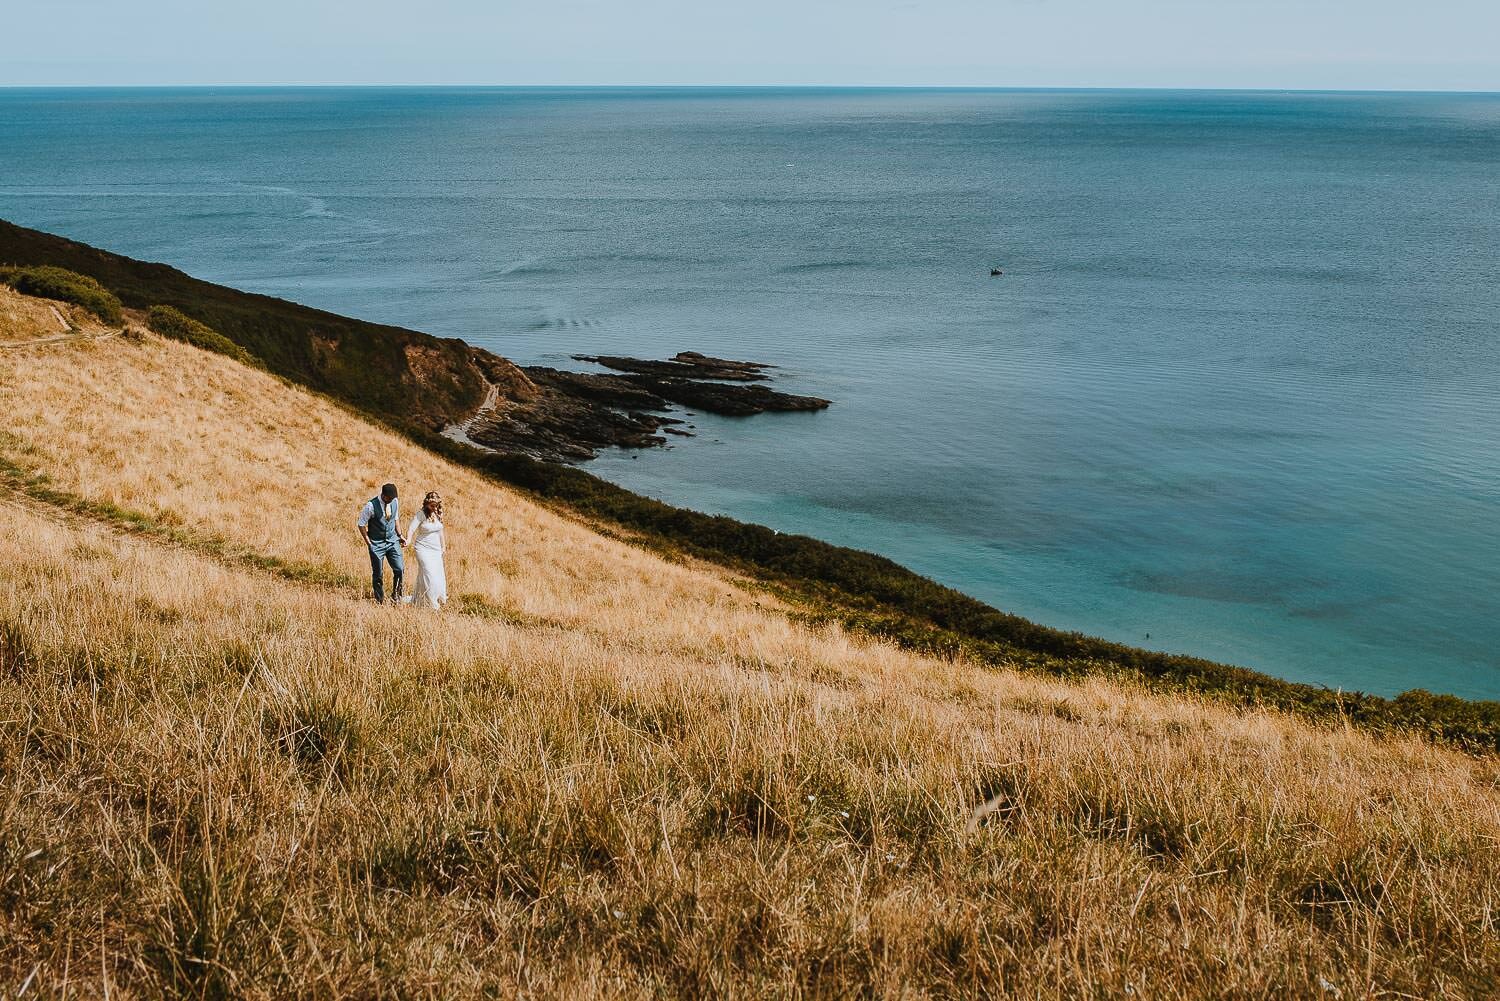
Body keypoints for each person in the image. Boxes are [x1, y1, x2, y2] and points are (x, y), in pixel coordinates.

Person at [357, 482, 406, 603]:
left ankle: (397, 595)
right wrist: (369, 543)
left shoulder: (394, 501)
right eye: (390, 498)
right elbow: (361, 524)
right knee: (378, 574)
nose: (392, 500)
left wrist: (400, 535)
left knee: (400, 568)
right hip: (377, 543)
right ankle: (380, 599)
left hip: (392, 540)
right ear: (383, 496)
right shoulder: (370, 506)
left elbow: (395, 518)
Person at [405, 491, 448, 610]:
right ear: (427, 503)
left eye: (436, 505)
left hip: (436, 550)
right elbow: (411, 529)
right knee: (429, 573)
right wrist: (408, 540)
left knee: (435, 574)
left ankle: (421, 599)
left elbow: (440, 531)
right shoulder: (421, 514)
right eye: (432, 505)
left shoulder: (439, 513)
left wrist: (443, 547)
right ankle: (431, 602)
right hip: (422, 548)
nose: (434, 508)